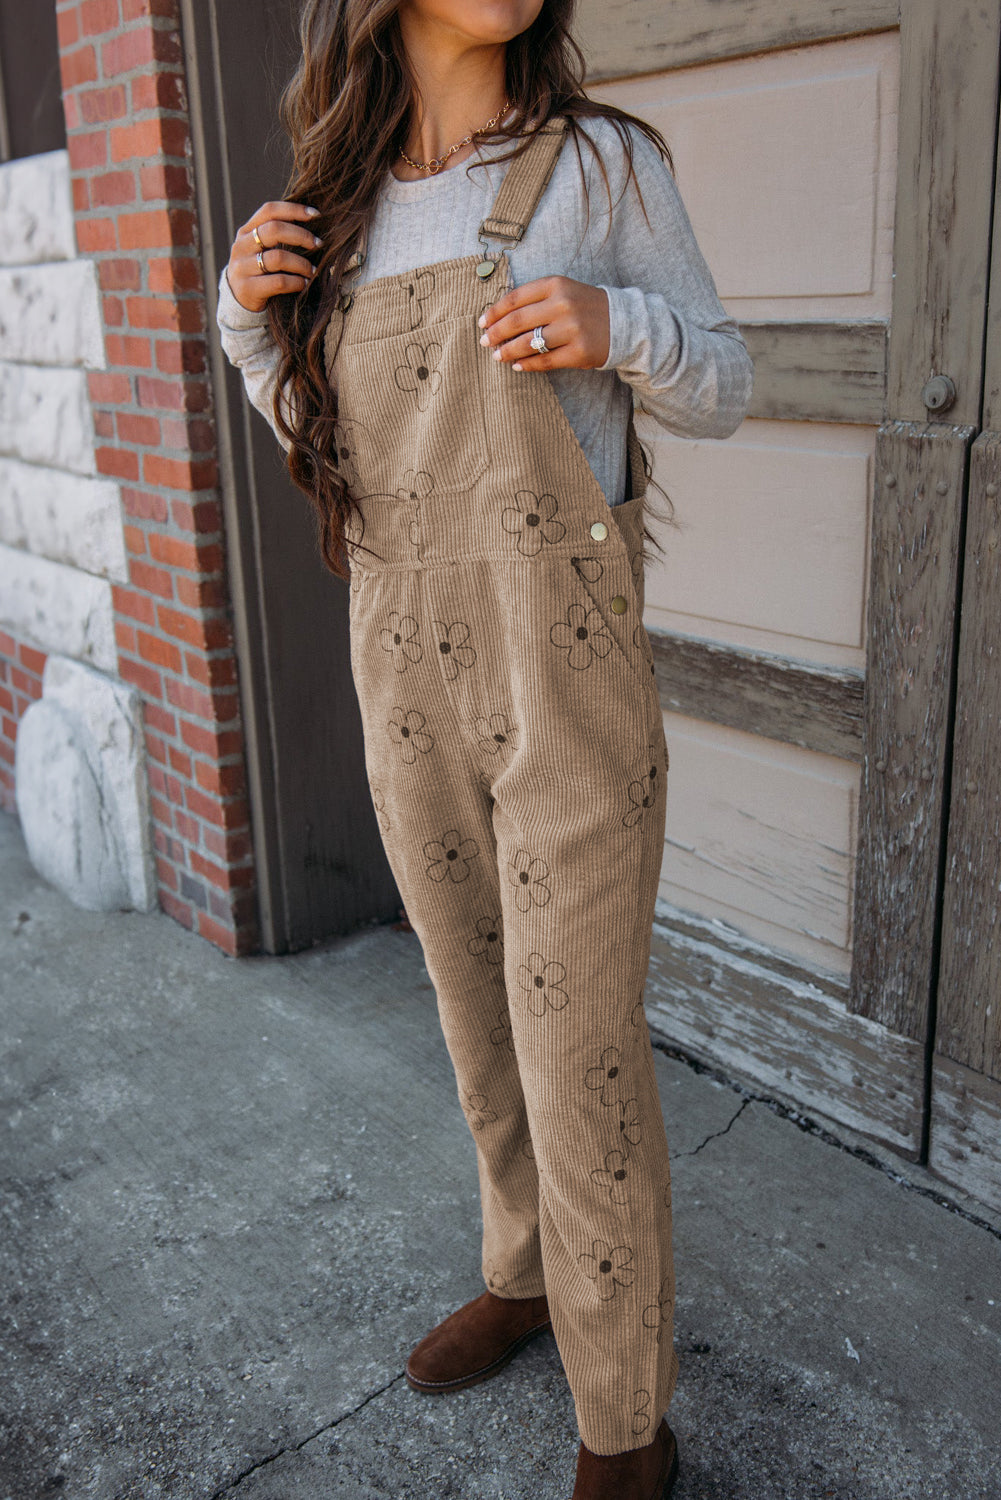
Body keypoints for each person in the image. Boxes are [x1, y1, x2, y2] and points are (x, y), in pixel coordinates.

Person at [217, 2, 753, 1494]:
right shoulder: (333, 206)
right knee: (473, 1008)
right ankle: (521, 1272)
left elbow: (724, 377)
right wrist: (246, 317)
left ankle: (622, 1419)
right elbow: (302, 422)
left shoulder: (601, 165)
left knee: (576, 1043)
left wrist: (617, 328)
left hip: (562, 666)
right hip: (397, 660)